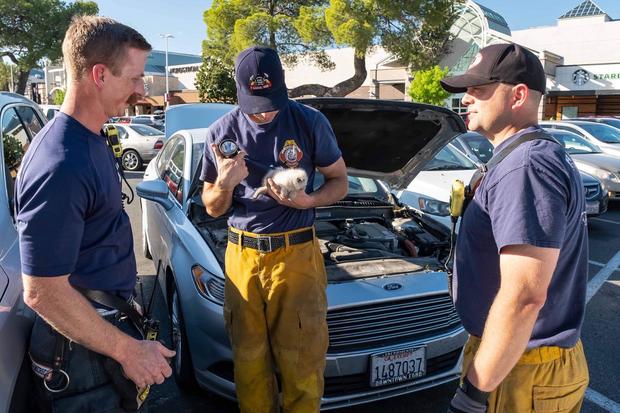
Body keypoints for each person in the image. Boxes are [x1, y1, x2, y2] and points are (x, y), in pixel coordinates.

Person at [15, 16, 175, 412]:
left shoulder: (93, 138)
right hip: (81, 358)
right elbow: (42, 292)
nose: (141, 90)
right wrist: (128, 351)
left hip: (99, 332)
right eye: (135, 78)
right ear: (99, 74)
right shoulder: (61, 163)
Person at [440, 43, 589, 413]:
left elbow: (525, 297)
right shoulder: (523, 156)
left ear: (518, 95)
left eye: (478, 89)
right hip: (518, 359)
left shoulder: (527, 166)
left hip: (521, 369)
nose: (466, 100)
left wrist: (473, 395)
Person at [200, 46, 348, 413]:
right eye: (255, 102)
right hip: (243, 256)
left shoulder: (310, 122)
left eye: (270, 100)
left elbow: (340, 181)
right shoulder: (221, 132)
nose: (264, 111)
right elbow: (212, 207)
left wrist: (309, 201)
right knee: (249, 366)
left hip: (296, 255)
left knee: (302, 363)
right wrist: (224, 184)